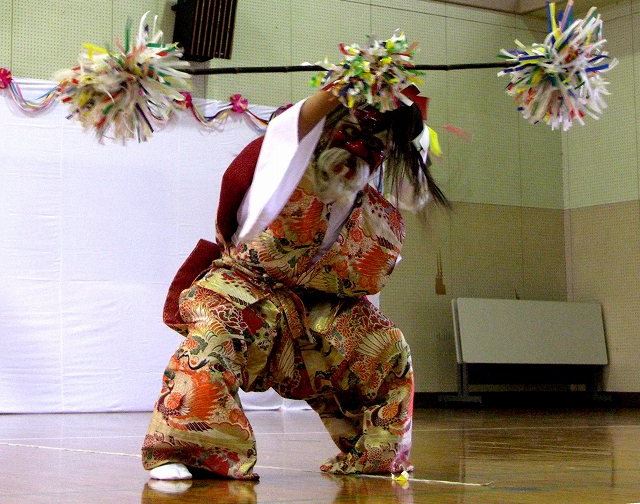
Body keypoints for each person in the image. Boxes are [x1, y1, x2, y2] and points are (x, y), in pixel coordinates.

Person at [141, 87, 447, 481]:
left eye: (373, 148)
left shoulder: (370, 206)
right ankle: (188, 450)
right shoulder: (284, 164)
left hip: (323, 309)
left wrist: (403, 112)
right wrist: (346, 85)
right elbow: (295, 128)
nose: (357, 155)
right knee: (212, 338)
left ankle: (373, 454)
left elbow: (412, 150)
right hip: (246, 291)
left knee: (387, 348)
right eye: (348, 136)